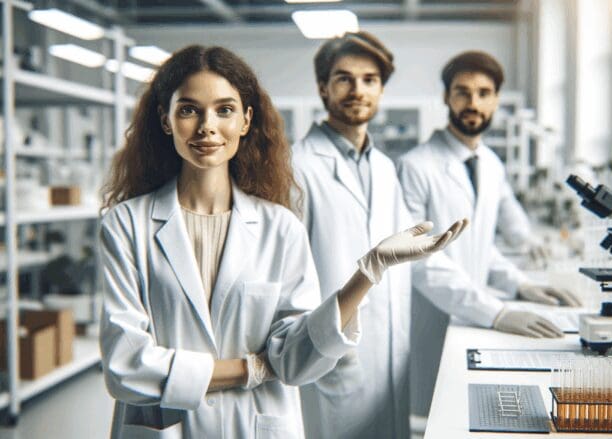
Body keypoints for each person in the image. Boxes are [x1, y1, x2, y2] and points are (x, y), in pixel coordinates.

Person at [98, 45, 465, 439]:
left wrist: (370, 269)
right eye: (189, 110)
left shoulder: (280, 227)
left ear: (245, 120)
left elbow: (296, 357)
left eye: (224, 110)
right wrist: (251, 368)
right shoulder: (126, 224)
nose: (207, 126)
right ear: (166, 120)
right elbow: (125, 366)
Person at [292, 32, 464, 439]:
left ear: (381, 90)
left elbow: (402, 259)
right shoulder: (296, 167)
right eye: (344, 79)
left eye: (369, 80)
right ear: (323, 87)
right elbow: (289, 278)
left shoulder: (385, 168)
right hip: (331, 353)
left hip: (390, 354)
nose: (358, 90)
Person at [397, 50, 580, 416]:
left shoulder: (491, 164)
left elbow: (480, 247)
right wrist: (496, 312)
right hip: (433, 319)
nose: (473, 103)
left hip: (473, 318)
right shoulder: (415, 166)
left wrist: (520, 285)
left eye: (483, 93)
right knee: (435, 420)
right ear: (446, 97)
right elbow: (417, 258)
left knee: (470, 414)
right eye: (462, 92)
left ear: (496, 99)